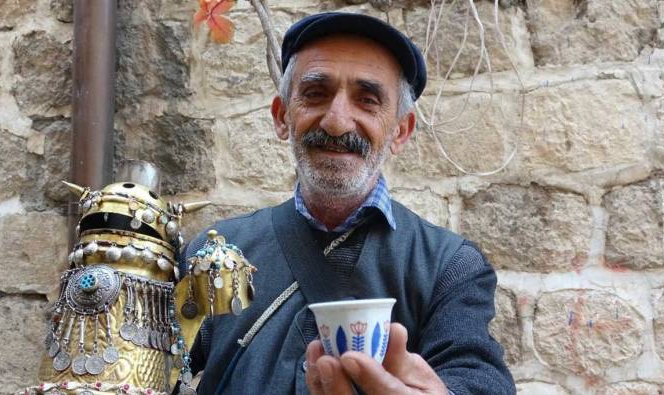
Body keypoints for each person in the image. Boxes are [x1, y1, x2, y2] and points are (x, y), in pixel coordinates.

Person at [183, 12, 515, 395]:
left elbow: (479, 380)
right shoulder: (216, 253)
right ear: (282, 117)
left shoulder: (449, 266)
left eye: (368, 100)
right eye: (315, 94)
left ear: (400, 131)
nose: (338, 122)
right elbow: (153, 368)